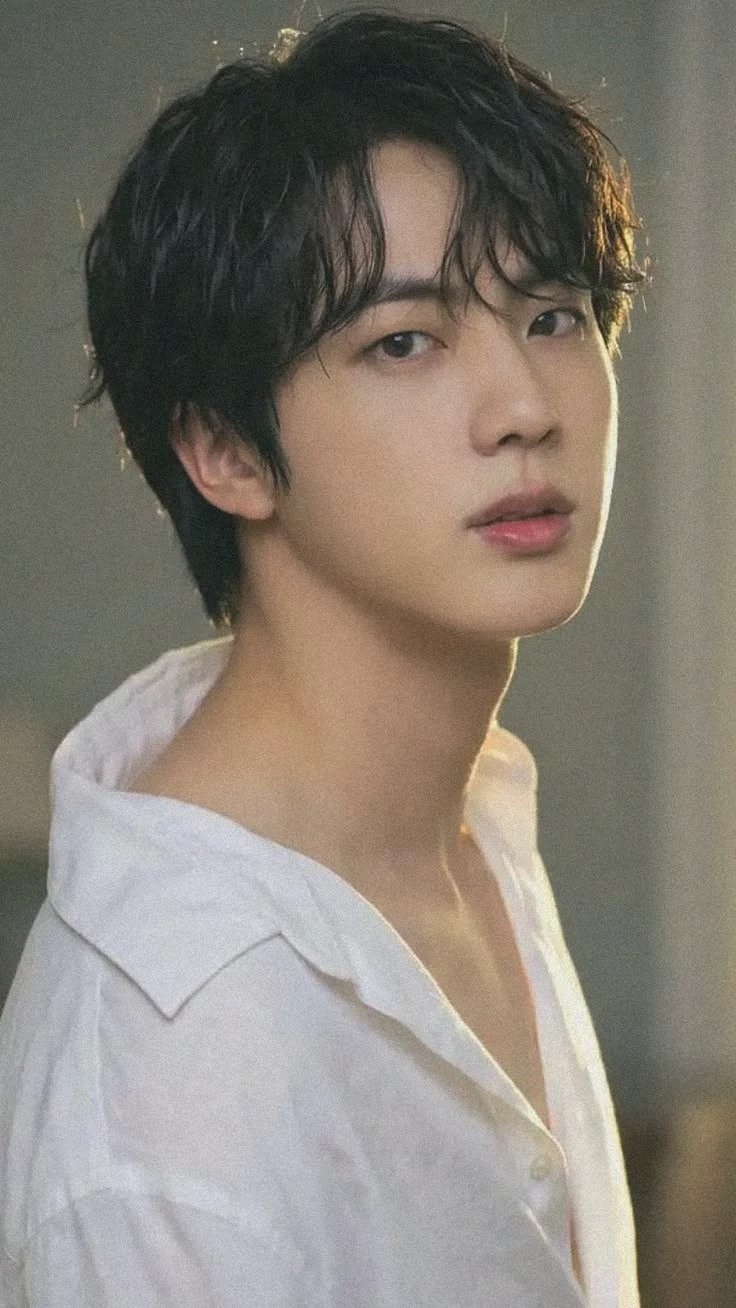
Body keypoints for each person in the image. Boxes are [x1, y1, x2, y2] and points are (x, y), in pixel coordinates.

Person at [0, 10, 645, 1306]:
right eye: (403, 341)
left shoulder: (465, 823)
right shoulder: (174, 1072)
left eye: (554, 315)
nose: (526, 408)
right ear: (225, 452)